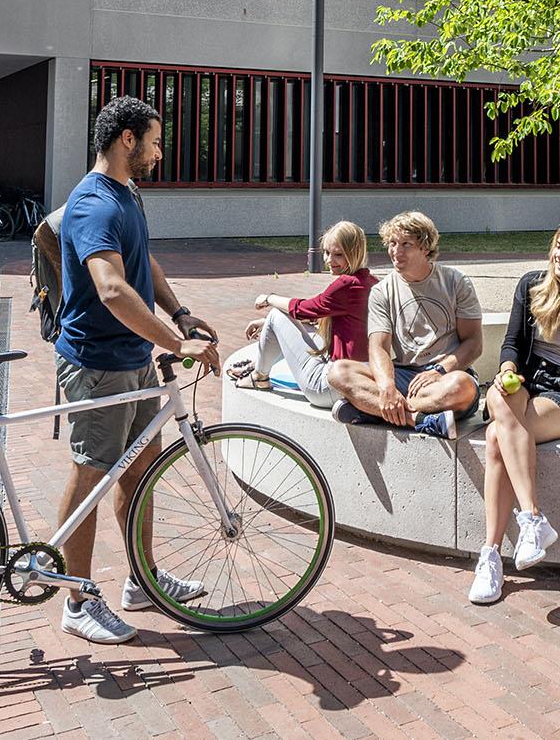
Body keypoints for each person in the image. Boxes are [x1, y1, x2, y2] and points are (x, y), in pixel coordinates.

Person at [51, 95, 221, 645]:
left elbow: (143, 262)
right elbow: (111, 288)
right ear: (127, 140)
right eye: (154, 140)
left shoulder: (128, 194)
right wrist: (177, 343)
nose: (159, 149)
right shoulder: (93, 203)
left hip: (134, 359)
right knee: (90, 474)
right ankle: (75, 599)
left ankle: (141, 581)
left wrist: (180, 314)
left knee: (140, 469)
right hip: (98, 365)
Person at [469, 218, 560, 605]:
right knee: (500, 399)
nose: (559, 254)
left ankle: (492, 555)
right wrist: (505, 371)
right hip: (525, 382)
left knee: (494, 438)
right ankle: (532, 519)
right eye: (557, 245)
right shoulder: (531, 284)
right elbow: (512, 343)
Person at [324, 211, 482, 438]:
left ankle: (374, 409)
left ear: (425, 247)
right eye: (392, 243)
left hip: (444, 377)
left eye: (406, 244)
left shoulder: (455, 282)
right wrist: (387, 387)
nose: (396, 252)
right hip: (404, 374)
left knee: (462, 386)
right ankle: (419, 419)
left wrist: (439, 370)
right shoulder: (381, 291)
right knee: (338, 372)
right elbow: (378, 347)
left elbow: (474, 342)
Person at [228, 220, 375, 408]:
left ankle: (258, 376)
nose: (330, 260)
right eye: (327, 253)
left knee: (276, 314)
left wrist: (269, 298)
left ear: (355, 253)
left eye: (338, 255)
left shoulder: (347, 284)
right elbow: (315, 314)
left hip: (332, 388)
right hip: (360, 382)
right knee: (281, 321)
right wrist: (269, 325)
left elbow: (301, 309)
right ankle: (256, 363)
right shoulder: (370, 281)